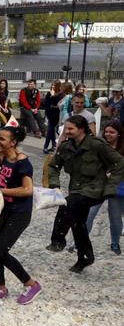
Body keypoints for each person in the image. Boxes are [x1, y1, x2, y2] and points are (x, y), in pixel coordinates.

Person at [46, 115, 124, 272]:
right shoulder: (66, 146)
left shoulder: (97, 145)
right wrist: (55, 184)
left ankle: (58, 240)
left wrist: (111, 186)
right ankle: (85, 258)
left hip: (95, 189)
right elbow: (54, 166)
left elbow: (119, 163)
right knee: (78, 223)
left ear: (81, 129)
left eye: (70, 129)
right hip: (77, 189)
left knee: (67, 205)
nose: (66, 131)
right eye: (65, 128)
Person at [0, 125, 41, 303]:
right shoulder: (3, 158)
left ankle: (31, 284)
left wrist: (0, 192)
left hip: (19, 214)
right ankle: (1, 287)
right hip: (4, 210)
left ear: (13, 142)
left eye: (2, 139)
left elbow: (27, 190)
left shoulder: (23, 163)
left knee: (0, 251)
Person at [84, 122, 124, 255]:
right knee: (89, 214)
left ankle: (115, 243)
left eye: (112, 132)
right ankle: (80, 242)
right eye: (106, 131)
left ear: (119, 133)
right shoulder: (99, 146)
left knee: (115, 217)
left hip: (117, 187)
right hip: (98, 186)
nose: (108, 134)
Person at [42, 80, 63, 152]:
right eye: (52, 85)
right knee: (51, 130)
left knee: (50, 130)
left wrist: (53, 96)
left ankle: (47, 146)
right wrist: (51, 96)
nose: (53, 87)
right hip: (50, 115)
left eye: (54, 85)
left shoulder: (60, 94)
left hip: (57, 115)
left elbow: (59, 104)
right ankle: (53, 145)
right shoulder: (49, 93)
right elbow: (46, 104)